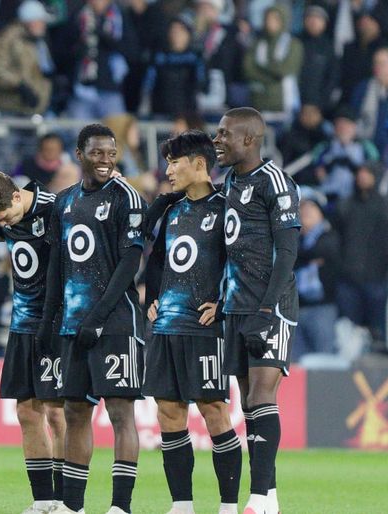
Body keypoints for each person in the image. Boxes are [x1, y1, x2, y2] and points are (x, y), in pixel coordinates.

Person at [35, 124, 145, 514]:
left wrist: (98, 318)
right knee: (75, 411)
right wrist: (48, 322)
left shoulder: (127, 198)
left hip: (115, 323)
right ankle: (72, 505)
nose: (105, 161)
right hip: (71, 325)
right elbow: (56, 269)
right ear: (79, 155)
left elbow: (130, 262)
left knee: (119, 412)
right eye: (97, 153)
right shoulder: (63, 201)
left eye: (111, 153)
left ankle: (120, 506)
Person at [142, 131, 240, 514]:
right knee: (169, 411)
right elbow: (156, 258)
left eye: (174, 162)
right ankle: (182, 505)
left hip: (204, 329)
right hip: (166, 326)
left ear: (199, 164)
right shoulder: (171, 209)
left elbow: (240, 259)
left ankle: (228, 506)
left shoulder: (225, 207)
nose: (168, 170)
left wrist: (225, 301)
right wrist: (151, 297)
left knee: (213, 410)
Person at [212, 107, 301, 514]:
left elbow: (288, 253)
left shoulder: (276, 182)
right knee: (248, 402)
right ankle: (272, 498)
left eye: (224, 134)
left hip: (271, 305)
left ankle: (258, 497)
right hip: (236, 304)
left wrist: (267, 309)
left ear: (249, 140)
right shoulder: (230, 180)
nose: (217, 140)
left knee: (263, 393)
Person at [0, 171, 67, 514]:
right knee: (26, 410)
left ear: (16, 197)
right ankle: (43, 500)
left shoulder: (57, 210)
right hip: (22, 325)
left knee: (57, 411)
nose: (4, 225)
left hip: (57, 322)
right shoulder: (1, 215)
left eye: (6, 217)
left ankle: (68, 499)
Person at [332, 163, 388, 345]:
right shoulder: (344, 206)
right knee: (346, 333)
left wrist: (387, 263)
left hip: (378, 279)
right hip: (348, 280)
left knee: (378, 333)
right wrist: (342, 265)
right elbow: (334, 240)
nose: (362, 177)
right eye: (359, 173)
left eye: (367, 173)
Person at [293, 194, 340, 359]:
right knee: (295, 361)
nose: (305, 212)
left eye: (311, 208)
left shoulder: (329, 235)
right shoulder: (294, 239)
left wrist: (300, 259)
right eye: (302, 209)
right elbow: (287, 258)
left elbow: (326, 250)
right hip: (296, 308)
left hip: (322, 307)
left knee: (324, 357)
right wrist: (309, 259)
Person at [0, 1, 52, 116]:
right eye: (40, 21)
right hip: (10, 108)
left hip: (32, 109)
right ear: (29, 21)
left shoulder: (38, 42)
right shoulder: (7, 39)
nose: (43, 25)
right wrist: (20, 86)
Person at [242, 6, 302, 114]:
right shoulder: (257, 43)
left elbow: (285, 70)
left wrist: (261, 68)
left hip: (282, 103)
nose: (269, 22)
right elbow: (248, 69)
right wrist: (272, 76)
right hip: (257, 101)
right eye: (267, 18)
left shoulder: (293, 44)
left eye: (274, 19)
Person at [142, 18, 206, 118]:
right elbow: (148, 86)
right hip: (161, 114)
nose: (176, 35)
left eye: (180, 31)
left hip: (187, 114)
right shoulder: (159, 58)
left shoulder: (195, 59)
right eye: (173, 31)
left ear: (188, 34)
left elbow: (201, 85)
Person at [297, 6, 339, 114]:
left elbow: (332, 78)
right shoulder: (295, 43)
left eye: (318, 18)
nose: (313, 21)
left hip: (318, 108)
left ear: (325, 23)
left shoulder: (329, 47)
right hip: (294, 103)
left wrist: (319, 105)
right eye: (310, 17)